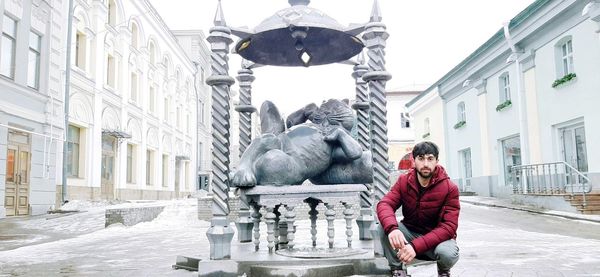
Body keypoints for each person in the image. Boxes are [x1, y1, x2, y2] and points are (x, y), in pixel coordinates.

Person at [376, 141, 460, 277]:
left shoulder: (450, 188)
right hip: (410, 232)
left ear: (437, 161)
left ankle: (443, 271)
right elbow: (385, 204)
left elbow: (449, 227)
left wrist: (415, 246)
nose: (426, 164)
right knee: (384, 226)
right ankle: (398, 270)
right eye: (421, 158)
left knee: (448, 254)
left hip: (437, 240)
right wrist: (393, 229)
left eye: (430, 159)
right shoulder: (404, 181)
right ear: (414, 161)